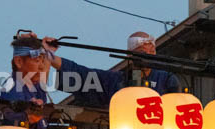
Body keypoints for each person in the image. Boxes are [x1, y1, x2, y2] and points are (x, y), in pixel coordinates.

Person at [46, 31, 179, 109]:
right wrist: (48, 54)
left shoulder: (166, 79)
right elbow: (80, 73)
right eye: (143, 51)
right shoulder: (115, 80)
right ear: (129, 54)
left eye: (152, 51)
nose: (149, 55)